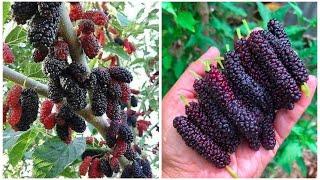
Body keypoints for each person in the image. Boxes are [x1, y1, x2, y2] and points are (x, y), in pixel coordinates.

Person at [162, 47, 317, 178]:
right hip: (229, 129)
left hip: (249, 115)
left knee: (243, 96)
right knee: (233, 104)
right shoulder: (208, 95)